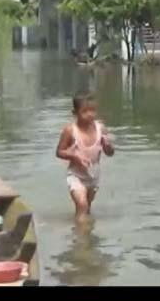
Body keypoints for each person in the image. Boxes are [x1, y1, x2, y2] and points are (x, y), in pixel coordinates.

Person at [55, 91, 114, 222]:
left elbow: (110, 153)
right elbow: (59, 152)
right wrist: (75, 157)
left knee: (86, 208)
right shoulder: (70, 130)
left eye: (93, 111)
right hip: (76, 175)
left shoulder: (101, 129)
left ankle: (85, 232)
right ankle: (82, 239)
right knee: (82, 204)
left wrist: (108, 146)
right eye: (85, 111)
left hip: (93, 175)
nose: (90, 115)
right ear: (75, 113)